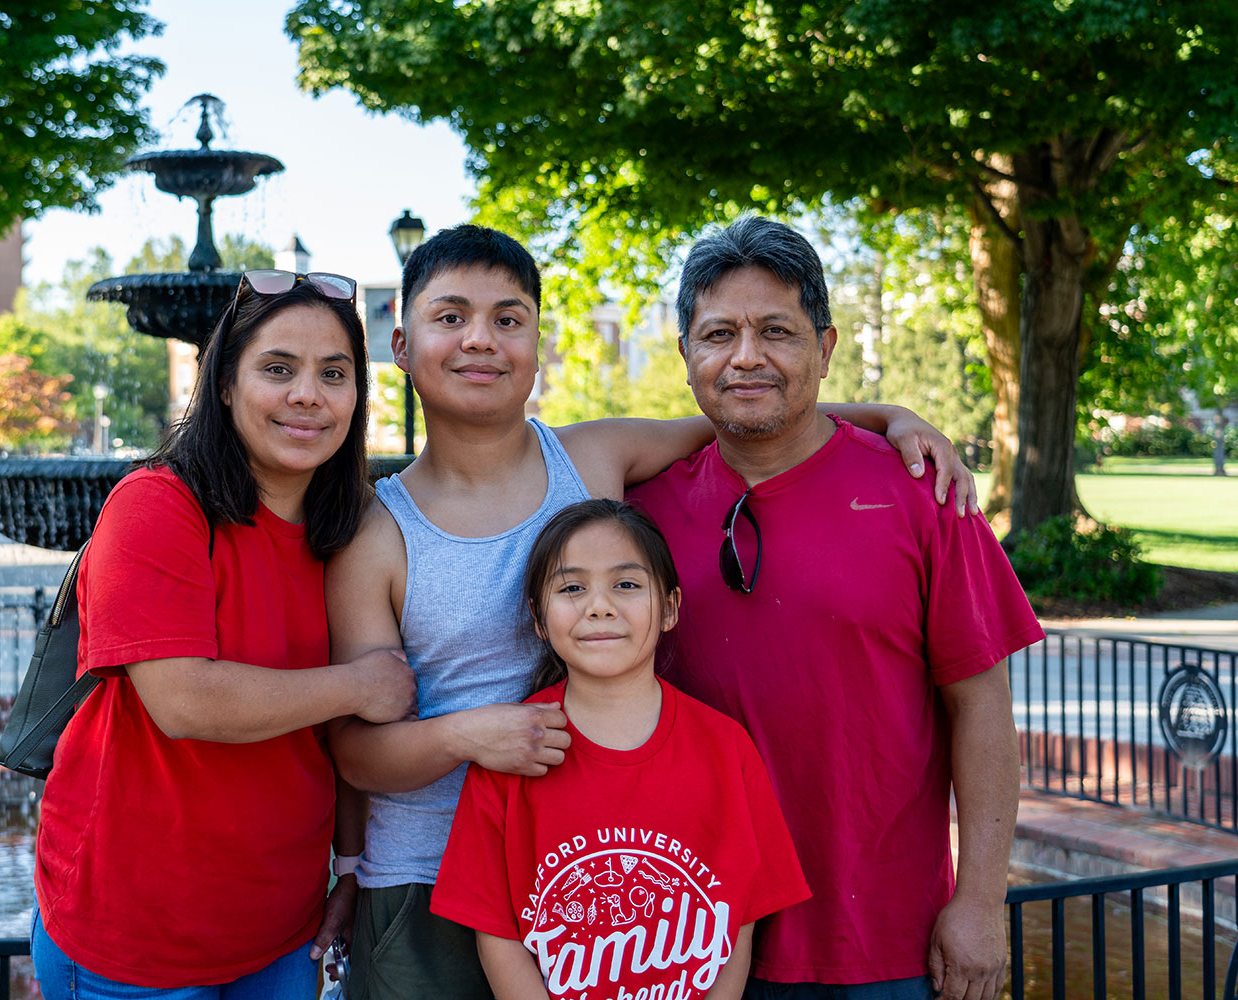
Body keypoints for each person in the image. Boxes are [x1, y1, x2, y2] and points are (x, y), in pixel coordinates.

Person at [324, 224, 979, 1000]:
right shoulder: (375, 533)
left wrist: (885, 414)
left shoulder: (597, 458)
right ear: (400, 344)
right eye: (450, 318)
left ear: (538, 340)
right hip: (427, 883)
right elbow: (358, 755)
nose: (481, 341)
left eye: (508, 319)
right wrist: (471, 736)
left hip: (594, 882)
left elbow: (748, 404)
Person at [628, 216, 1043, 1000]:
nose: (745, 356)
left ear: (824, 348)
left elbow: (981, 705)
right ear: (686, 356)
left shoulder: (924, 494)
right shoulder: (636, 517)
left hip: (885, 943)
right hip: (692, 940)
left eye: (776, 331)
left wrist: (982, 901)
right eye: (718, 333)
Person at [31, 270, 416, 999]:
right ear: (227, 386)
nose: (309, 393)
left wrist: (351, 866)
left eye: (334, 374)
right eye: (278, 369)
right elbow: (186, 701)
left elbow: (335, 740)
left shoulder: (349, 531)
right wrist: (362, 684)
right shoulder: (157, 506)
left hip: (280, 929)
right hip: (134, 935)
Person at [432, 499, 811, 1000]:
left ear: (671, 607)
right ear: (538, 617)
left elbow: (739, 921)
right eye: (572, 588)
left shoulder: (725, 747)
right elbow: (496, 933)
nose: (599, 605)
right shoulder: (514, 750)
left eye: (626, 585)